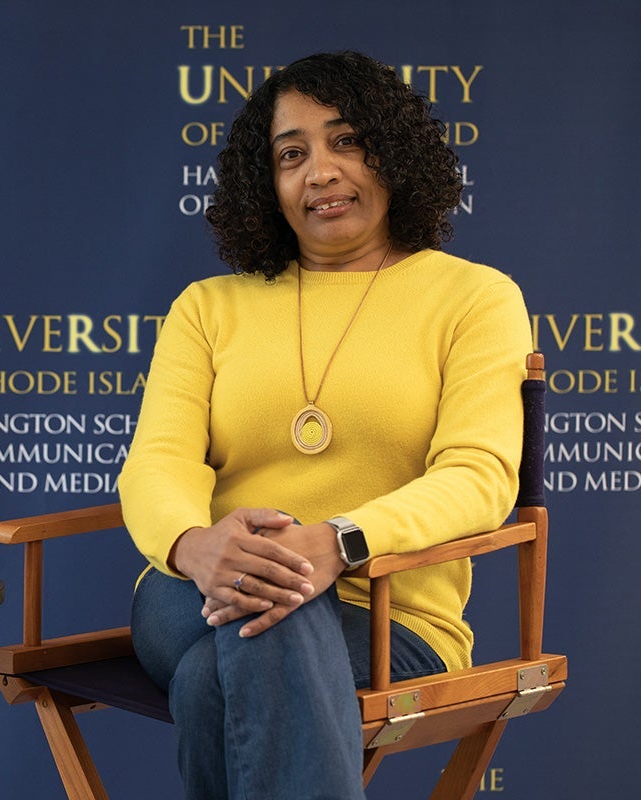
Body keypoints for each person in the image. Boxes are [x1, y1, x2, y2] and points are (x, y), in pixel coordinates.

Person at [118, 50, 532, 799]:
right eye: (291, 155)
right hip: (195, 590)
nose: (321, 172)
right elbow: (157, 463)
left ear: (392, 153)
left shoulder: (475, 299)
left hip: (390, 618)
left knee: (224, 672)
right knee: (270, 613)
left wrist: (337, 542)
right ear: (266, 186)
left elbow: (479, 476)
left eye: (346, 141)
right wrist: (195, 544)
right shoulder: (209, 308)